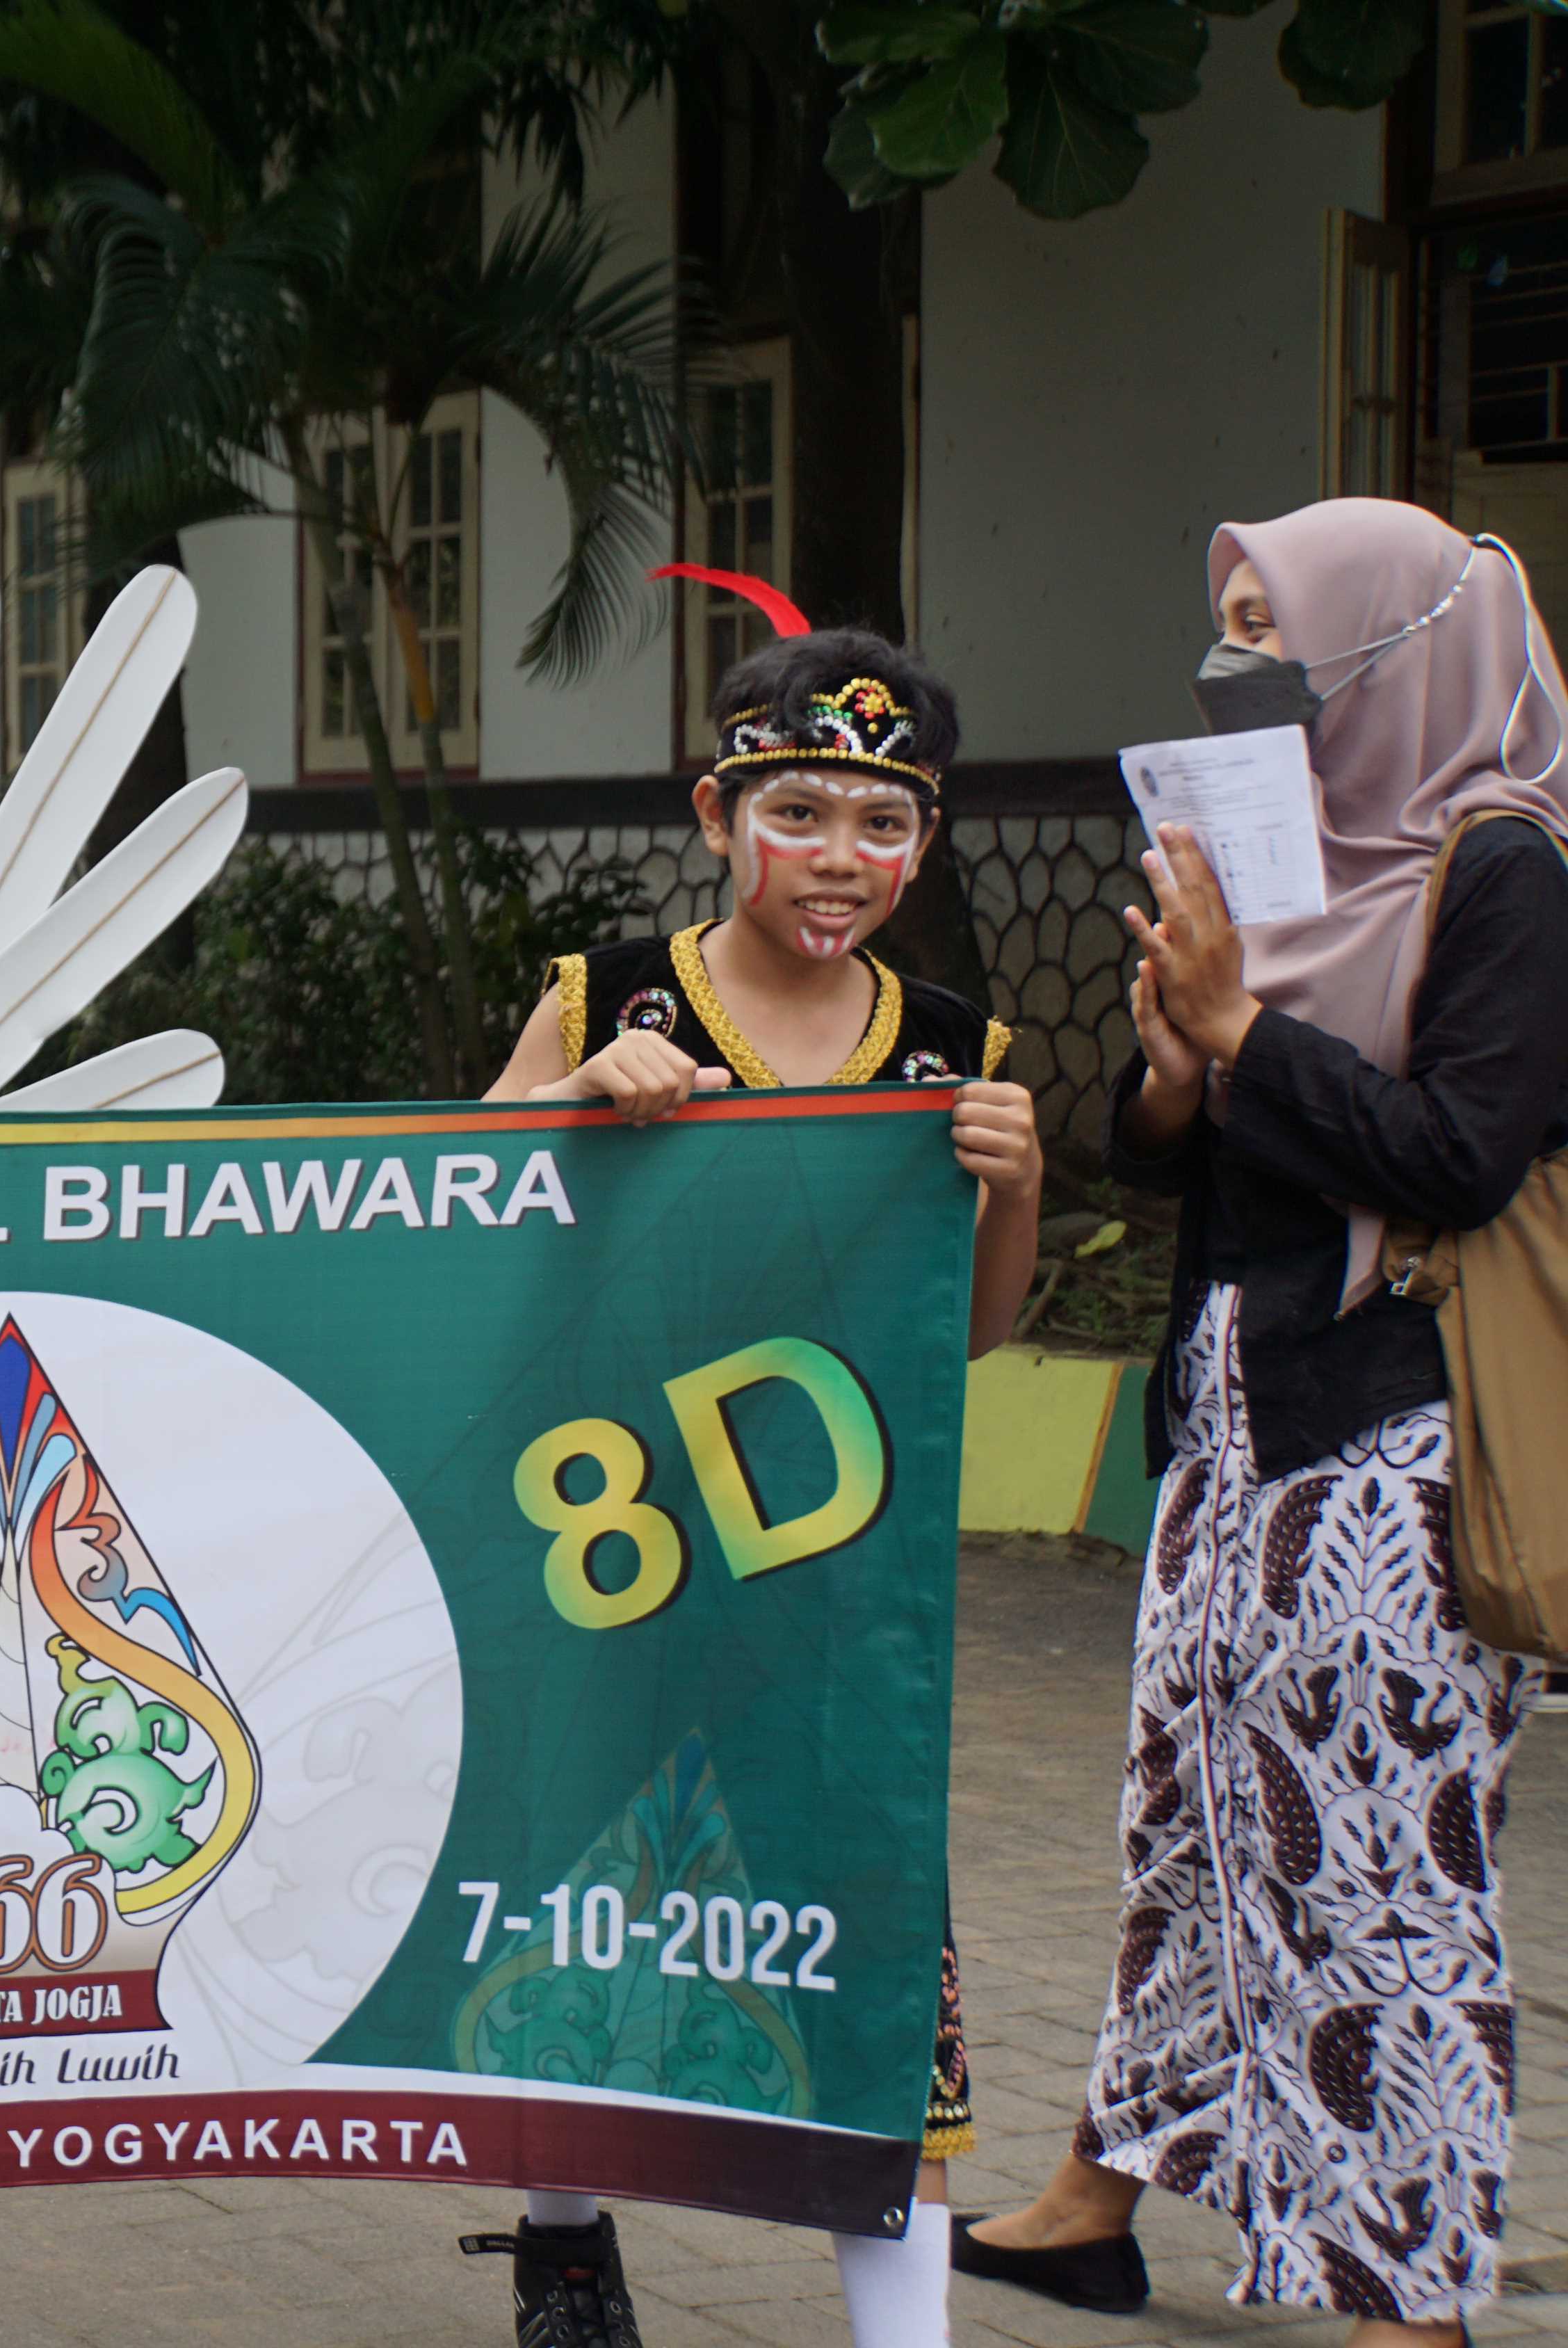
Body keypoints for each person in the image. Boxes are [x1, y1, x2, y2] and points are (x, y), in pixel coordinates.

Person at [955, 501, 1568, 2348]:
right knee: (1193, 1824)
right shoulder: (1291, 864)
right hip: (1233, 1433)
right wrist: (1172, 1069)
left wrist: (1248, 1034)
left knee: (1374, 1864)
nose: (1252, 673)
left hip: (1397, 1436)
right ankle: (1099, 2197)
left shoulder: (1507, 874)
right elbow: (1201, 1175)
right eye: (1231, 634)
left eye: (1281, 636)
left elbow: (1465, 1158)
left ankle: (1407, 2298)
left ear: (1407, 648)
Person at [478, 622, 1046, 2348]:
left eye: (886, 828)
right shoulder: (609, 995)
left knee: (875, 1949)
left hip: (843, 1580)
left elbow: (979, 1331)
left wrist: (1010, 1183)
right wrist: (569, 1103)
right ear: (721, 812)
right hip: (618, 1542)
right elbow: (450, 1228)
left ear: (924, 844)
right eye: (801, 814)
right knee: (592, 1896)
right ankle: (563, 2232)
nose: (843, 862)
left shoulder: (954, 1038)